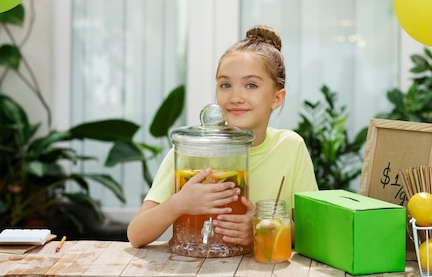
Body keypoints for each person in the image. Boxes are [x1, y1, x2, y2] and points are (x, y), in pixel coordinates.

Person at [127, 25, 319, 249]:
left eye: (251, 85)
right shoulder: (192, 151)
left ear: (277, 98)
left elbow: (310, 232)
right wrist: (178, 203)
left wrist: (261, 230)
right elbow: (136, 234)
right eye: (225, 85)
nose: (236, 97)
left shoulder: (290, 147)